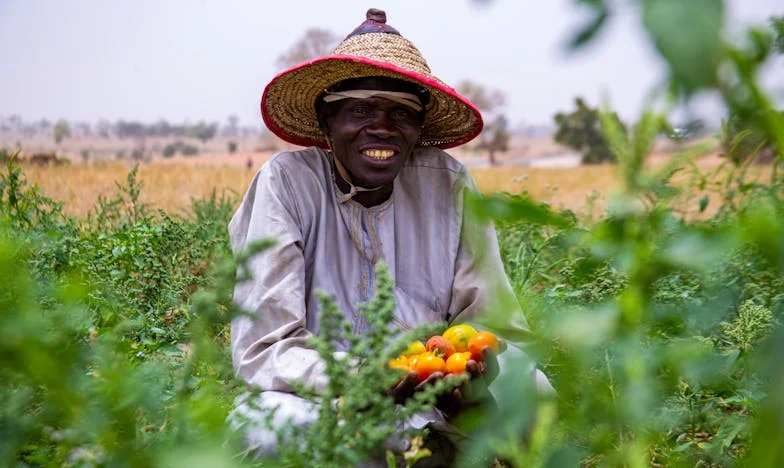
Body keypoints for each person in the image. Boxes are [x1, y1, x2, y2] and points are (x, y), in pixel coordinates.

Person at [228, 8, 551, 463]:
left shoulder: (449, 183)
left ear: (419, 130)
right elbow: (267, 346)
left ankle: (438, 446)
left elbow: (490, 323)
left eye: (401, 113)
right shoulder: (286, 183)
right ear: (326, 122)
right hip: (322, 395)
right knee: (268, 431)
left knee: (535, 393)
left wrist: (464, 373)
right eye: (361, 109)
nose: (382, 127)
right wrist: (362, 378)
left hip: (430, 393)